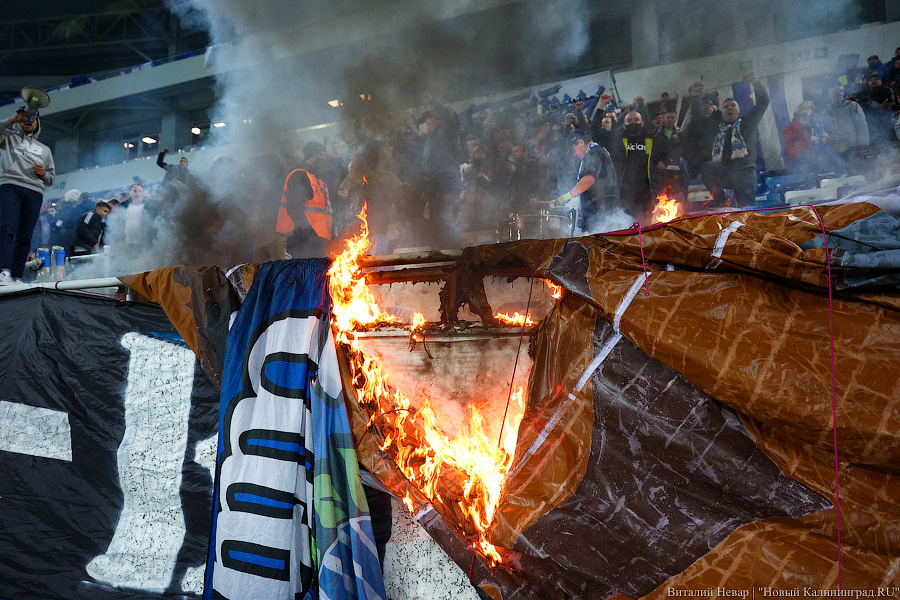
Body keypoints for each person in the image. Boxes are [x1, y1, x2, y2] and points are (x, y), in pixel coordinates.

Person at [0, 108, 55, 283]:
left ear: (38, 123)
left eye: (32, 120)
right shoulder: (7, 137)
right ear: (20, 122)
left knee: (25, 235)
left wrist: (43, 174)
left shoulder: (45, 150)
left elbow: (51, 179)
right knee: (6, 228)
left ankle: (16, 275)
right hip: (10, 185)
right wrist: (11, 120)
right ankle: (3, 271)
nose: (28, 122)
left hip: (35, 191)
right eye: (24, 119)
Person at [699, 72, 770, 207]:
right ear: (722, 112)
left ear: (739, 110)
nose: (729, 108)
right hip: (726, 172)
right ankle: (721, 201)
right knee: (707, 167)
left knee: (746, 212)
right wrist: (696, 97)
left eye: (733, 105)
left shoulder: (748, 123)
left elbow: (763, 102)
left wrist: (755, 82)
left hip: (745, 174)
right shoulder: (717, 128)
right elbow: (698, 119)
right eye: (725, 107)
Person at [552, 130, 619, 234]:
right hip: (606, 206)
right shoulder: (599, 151)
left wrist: (568, 195)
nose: (574, 154)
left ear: (581, 142)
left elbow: (589, 179)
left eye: (574, 150)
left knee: (601, 245)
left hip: (602, 208)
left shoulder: (593, 152)